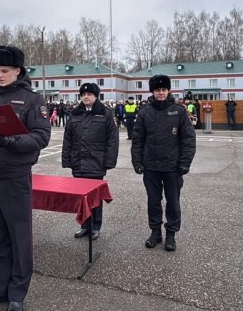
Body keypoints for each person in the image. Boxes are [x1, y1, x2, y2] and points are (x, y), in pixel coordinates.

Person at [0, 45, 50, 311]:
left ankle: (17, 293)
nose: (0, 75)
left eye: (5, 70)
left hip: (16, 177)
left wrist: (10, 141)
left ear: (18, 70)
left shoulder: (32, 99)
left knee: (19, 237)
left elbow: (41, 136)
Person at [131, 74, 196, 252]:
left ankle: (171, 235)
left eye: (164, 89)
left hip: (172, 167)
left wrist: (185, 163)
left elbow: (188, 139)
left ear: (168, 91)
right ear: (152, 92)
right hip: (151, 166)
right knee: (153, 201)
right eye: (157, 90)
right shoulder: (144, 112)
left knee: (173, 202)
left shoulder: (179, 111)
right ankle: (155, 233)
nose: (161, 93)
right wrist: (137, 161)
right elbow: (138, 140)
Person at [62, 82, 118, 240]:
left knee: (95, 197)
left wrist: (109, 161)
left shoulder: (105, 113)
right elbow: (68, 138)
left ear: (96, 96)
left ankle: (96, 226)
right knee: (81, 197)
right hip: (78, 162)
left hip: (96, 162)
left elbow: (113, 139)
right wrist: (67, 159)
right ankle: (84, 225)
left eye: (89, 94)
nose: (86, 97)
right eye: (83, 94)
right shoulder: (75, 113)